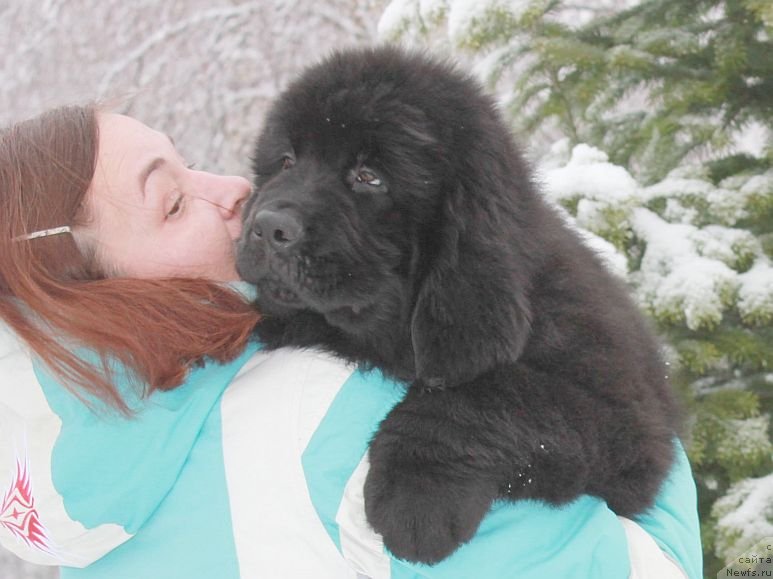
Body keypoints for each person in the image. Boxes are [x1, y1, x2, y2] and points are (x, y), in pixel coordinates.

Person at [0, 104, 702, 579]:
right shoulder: (326, 419)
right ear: (88, 299)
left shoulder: (78, 499)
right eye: (174, 202)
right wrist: (622, 385)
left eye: (189, 165)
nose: (237, 188)